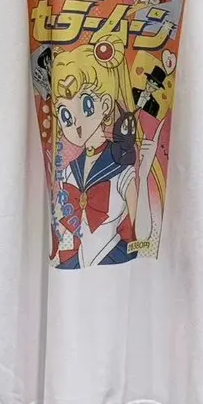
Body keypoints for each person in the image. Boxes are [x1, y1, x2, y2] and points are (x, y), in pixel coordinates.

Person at [49, 35, 162, 267]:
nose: (76, 122)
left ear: (107, 105)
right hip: (76, 263)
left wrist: (142, 175)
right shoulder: (70, 170)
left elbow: (142, 234)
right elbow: (63, 227)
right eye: (65, 115)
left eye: (86, 105)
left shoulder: (121, 167)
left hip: (116, 258)